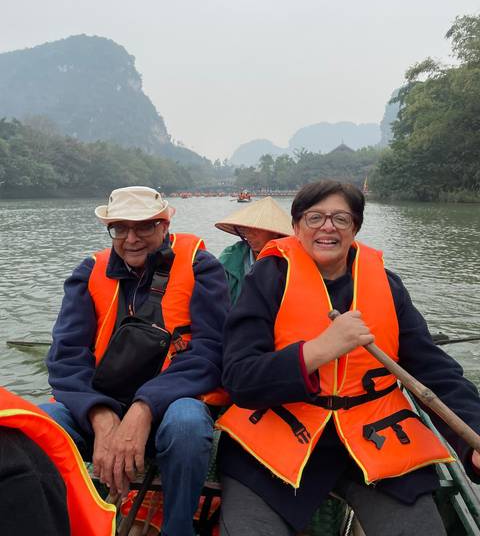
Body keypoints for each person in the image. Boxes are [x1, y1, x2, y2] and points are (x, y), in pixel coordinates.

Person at [217, 179, 480, 536]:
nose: (328, 227)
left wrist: (473, 436)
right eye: (315, 218)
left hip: (377, 438)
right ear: (296, 228)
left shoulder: (386, 285)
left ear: (354, 228)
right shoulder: (267, 278)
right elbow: (239, 377)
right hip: (278, 437)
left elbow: (435, 372)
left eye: (341, 219)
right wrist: (317, 351)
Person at [41, 185, 229, 536]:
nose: (131, 239)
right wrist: (101, 416)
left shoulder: (201, 267)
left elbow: (212, 352)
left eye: (144, 227)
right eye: (121, 228)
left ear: (164, 225)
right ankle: (71, 521)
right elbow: (66, 360)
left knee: (188, 423)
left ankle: (177, 529)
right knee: (36, 423)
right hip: (100, 406)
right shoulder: (88, 273)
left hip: (169, 408)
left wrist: (144, 408)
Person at [0, 386, 115, 536]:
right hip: (91, 403)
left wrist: (144, 407)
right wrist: (98, 410)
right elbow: (64, 371)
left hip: (151, 409)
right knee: (51, 413)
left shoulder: (14, 467)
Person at [215, 196, 293, 305]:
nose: (249, 235)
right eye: (247, 229)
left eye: (256, 230)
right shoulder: (230, 257)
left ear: (275, 233)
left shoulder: (288, 261)